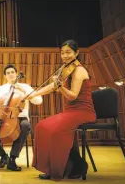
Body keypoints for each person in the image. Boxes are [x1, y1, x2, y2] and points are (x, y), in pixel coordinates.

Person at [26, 40, 96, 180]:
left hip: (83, 111)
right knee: (41, 126)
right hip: (70, 112)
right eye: (62, 53)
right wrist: (33, 94)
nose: (65, 56)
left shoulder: (79, 70)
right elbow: (52, 86)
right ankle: (71, 166)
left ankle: (61, 169)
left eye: (68, 52)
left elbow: (72, 96)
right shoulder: (65, 68)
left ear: (77, 53)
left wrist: (60, 87)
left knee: (56, 131)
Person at [0, 64, 43, 171]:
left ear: (16, 74)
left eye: (12, 72)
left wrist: (25, 92)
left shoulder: (25, 87)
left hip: (20, 117)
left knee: (25, 126)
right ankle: (3, 156)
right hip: (4, 117)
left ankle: (12, 158)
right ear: (5, 76)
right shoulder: (1, 89)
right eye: (8, 73)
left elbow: (39, 100)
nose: (11, 74)